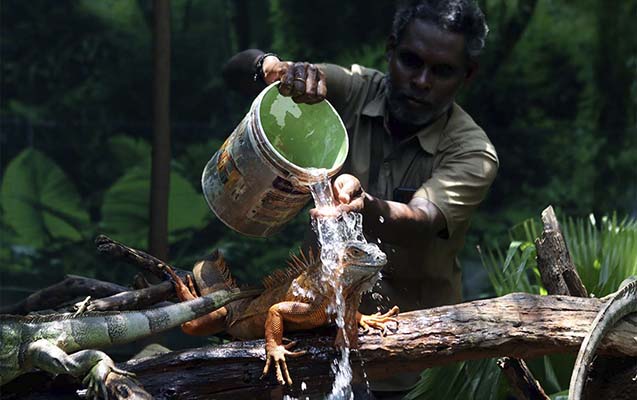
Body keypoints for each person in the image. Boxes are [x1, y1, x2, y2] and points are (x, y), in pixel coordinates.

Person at [223, 0, 498, 396]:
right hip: (311, 342)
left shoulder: (473, 151)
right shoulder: (354, 89)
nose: (422, 80)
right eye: (411, 61)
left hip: (409, 360)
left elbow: (421, 219)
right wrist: (272, 68)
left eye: (442, 70)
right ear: (391, 50)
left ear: (467, 74)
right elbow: (234, 71)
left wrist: (368, 207)